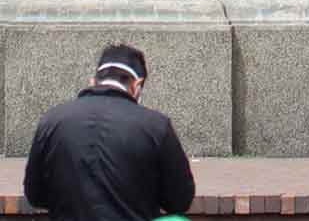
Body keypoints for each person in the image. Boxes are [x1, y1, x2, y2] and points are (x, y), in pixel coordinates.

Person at [24, 44, 195, 221]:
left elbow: (35, 195)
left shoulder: (51, 120)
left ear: (93, 81)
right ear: (137, 85)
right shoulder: (156, 125)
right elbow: (179, 200)